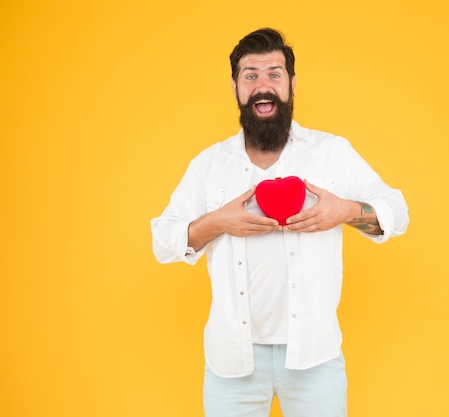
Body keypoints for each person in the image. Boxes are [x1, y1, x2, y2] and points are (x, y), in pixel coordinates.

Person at [151, 28, 409, 417]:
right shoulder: (209, 165)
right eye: (250, 75)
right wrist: (218, 221)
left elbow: (397, 212)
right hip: (231, 364)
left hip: (315, 359)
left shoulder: (332, 152)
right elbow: (162, 241)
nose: (262, 85)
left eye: (274, 73)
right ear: (235, 87)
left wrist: (347, 211)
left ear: (292, 83)